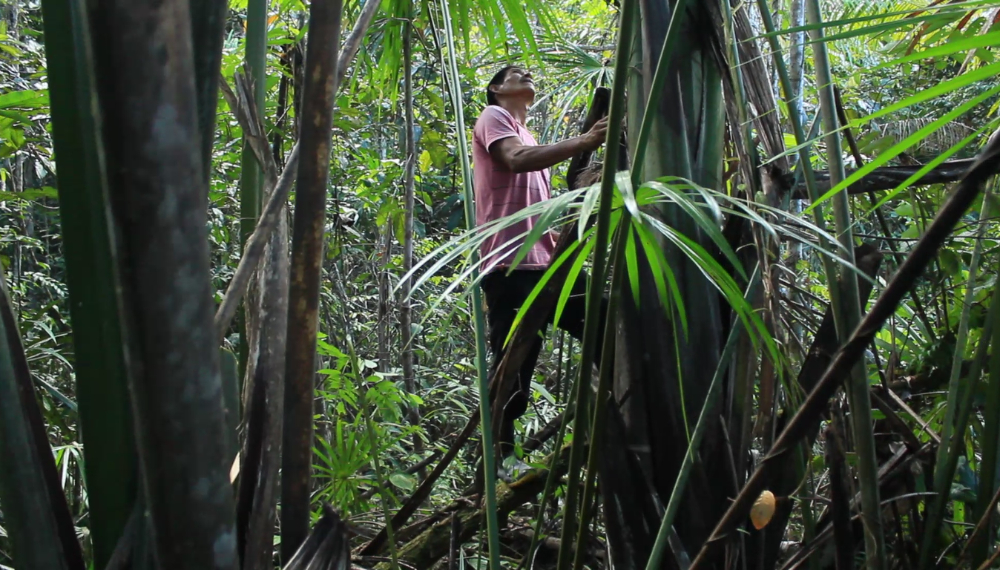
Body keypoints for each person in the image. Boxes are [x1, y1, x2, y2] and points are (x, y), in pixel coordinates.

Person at [472, 65, 610, 480]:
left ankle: (617, 413)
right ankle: (497, 460)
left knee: (604, 322)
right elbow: (515, 161)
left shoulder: (529, 134)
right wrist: (586, 140)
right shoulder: (494, 117)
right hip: (508, 262)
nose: (525, 74)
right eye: (515, 73)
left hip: (545, 261)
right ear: (496, 89)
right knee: (515, 359)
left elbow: (538, 199)